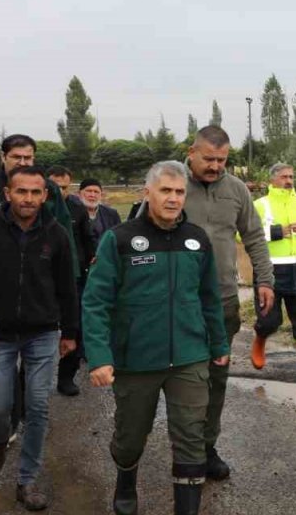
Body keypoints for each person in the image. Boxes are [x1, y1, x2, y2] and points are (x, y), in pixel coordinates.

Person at [83, 160, 229, 515]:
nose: (173, 198)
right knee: (131, 436)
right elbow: (96, 301)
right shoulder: (118, 240)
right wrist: (100, 356)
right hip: (136, 359)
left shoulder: (196, 239)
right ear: (147, 192)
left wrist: (219, 344)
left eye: (179, 192)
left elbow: (210, 297)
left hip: (190, 356)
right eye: (165, 190)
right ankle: (126, 480)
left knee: (191, 438)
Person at [0, 166, 78, 511]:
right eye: (21, 192)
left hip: (42, 333)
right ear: (9, 193)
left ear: (45, 195)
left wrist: (70, 332)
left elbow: (67, 287)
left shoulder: (56, 234)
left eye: (35, 192)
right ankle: (0, 439)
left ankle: (27, 480)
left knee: (39, 405)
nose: (28, 199)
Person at [181, 126, 274, 480]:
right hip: (177, 303)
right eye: (209, 159)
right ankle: (183, 446)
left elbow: (253, 236)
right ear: (192, 152)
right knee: (182, 378)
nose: (216, 166)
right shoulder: (172, 183)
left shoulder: (236, 190)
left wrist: (265, 280)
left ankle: (206, 447)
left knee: (216, 378)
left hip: (222, 301)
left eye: (222, 160)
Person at [249, 162, 296, 384]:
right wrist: (274, 232)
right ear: (272, 179)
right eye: (284, 177)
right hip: (269, 271)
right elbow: (240, 233)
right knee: (269, 319)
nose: (289, 180)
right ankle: (260, 339)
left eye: (291, 176)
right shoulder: (259, 205)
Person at [46, 166, 96, 397]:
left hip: (73, 277)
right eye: (55, 187)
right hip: (43, 278)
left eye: (64, 187)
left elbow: (88, 239)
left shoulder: (77, 208)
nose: (60, 192)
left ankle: (66, 377)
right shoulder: (38, 207)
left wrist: (90, 265)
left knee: (73, 328)